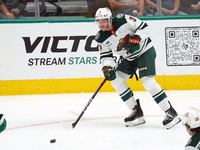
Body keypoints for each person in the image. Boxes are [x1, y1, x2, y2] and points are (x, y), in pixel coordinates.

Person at [94, 7, 181, 129]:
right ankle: (136, 112)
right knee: (116, 79)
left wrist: (136, 40)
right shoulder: (101, 37)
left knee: (148, 82)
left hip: (145, 51)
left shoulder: (123, 20)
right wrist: (107, 68)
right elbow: (106, 56)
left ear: (109, 19)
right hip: (129, 58)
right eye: (99, 21)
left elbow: (145, 27)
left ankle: (171, 112)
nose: (101, 24)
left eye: (104, 21)